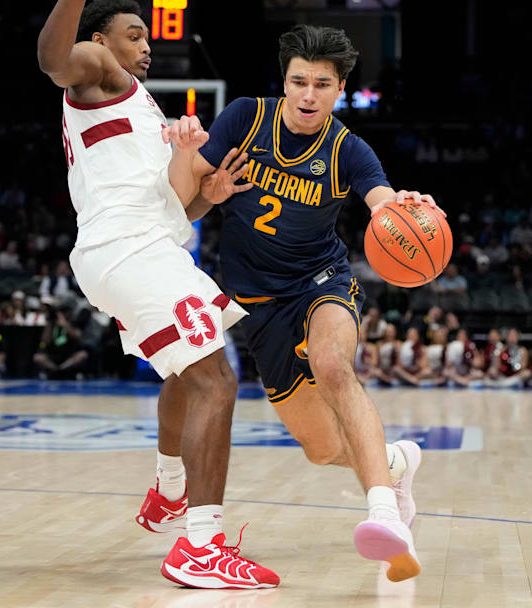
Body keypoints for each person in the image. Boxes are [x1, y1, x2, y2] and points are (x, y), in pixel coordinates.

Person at [174, 24, 437, 581]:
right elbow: (188, 206)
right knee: (320, 450)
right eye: (299, 81)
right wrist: (209, 194)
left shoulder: (347, 149)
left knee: (332, 364)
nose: (308, 94)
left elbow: (382, 202)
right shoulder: (245, 118)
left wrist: (406, 207)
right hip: (257, 307)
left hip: (321, 283)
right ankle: (392, 465)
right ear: (284, 81)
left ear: (339, 88)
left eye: (322, 83)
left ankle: (386, 516)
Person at [37, 0, 276, 588]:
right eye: (134, 34)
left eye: (147, 38)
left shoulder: (143, 108)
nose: (146, 46)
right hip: (130, 252)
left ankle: (170, 494)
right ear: (100, 38)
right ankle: (201, 547)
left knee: (185, 372)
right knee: (216, 381)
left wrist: (207, 197)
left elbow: (175, 209)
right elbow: (53, 60)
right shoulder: (97, 69)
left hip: (146, 246)